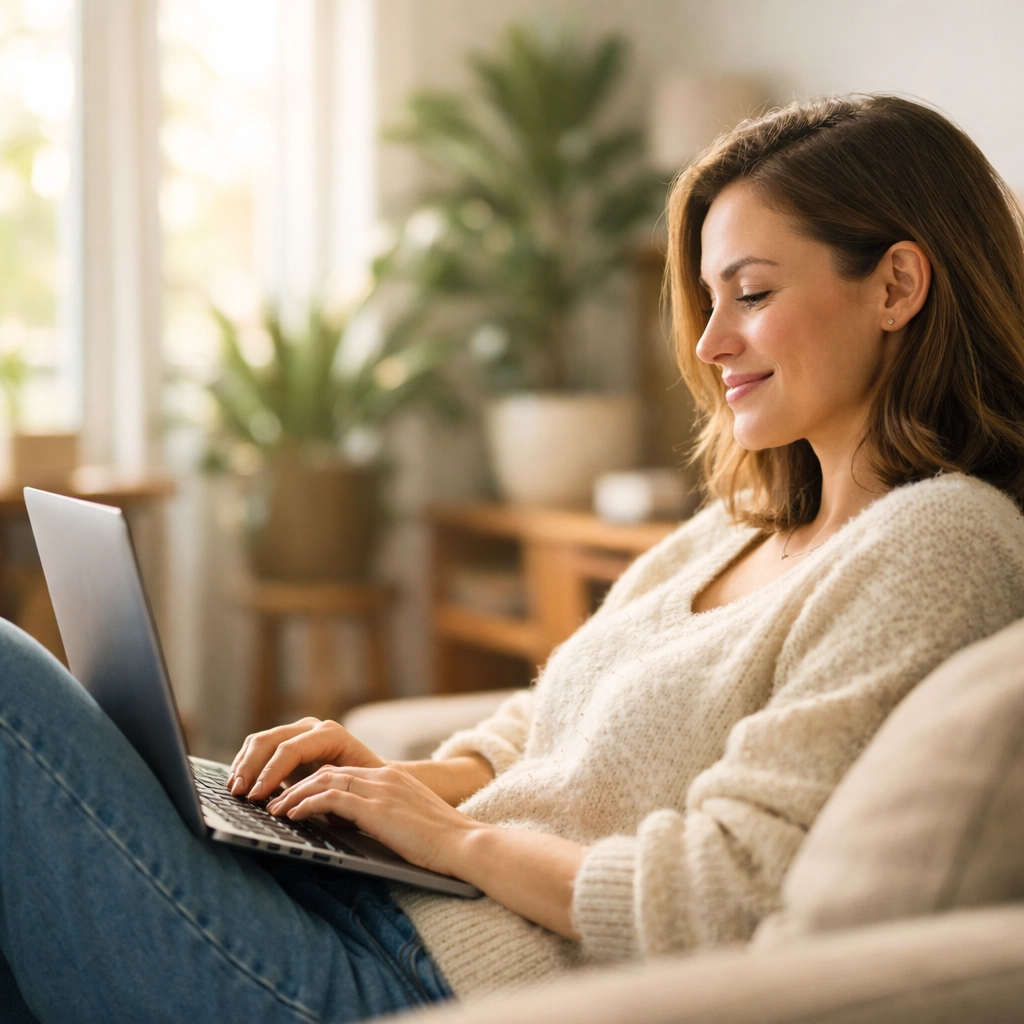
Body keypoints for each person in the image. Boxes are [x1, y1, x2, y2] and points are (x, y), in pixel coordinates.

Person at [4, 93, 1024, 1024]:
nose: (710, 343)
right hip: (368, 908)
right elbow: (541, 725)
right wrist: (388, 785)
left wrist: (453, 839)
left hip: (405, 981)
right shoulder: (736, 525)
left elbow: (726, 895)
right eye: (708, 301)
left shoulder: (939, 542)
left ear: (896, 285)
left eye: (750, 293)